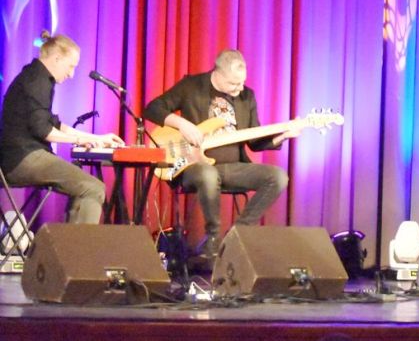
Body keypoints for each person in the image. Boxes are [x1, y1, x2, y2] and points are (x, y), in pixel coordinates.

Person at [143, 49, 298, 262]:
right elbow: (153, 108)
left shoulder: (247, 96)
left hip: (232, 167)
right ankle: (213, 238)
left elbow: (255, 142)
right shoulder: (191, 86)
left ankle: (236, 236)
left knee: (278, 177)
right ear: (217, 74)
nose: (239, 88)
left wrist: (284, 135)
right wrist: (182, 124)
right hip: (193, 166)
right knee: (208, 174)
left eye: (242, 82)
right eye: (233, 83)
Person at [0, 31, 122, 224]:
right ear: (57, 58)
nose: (71, 74)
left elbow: (54, 124)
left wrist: (97, 138)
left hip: (18, 157)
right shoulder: (37, 81)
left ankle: (70, 242)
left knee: (82, 187)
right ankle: (78, 244)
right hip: (21, 159)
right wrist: (80, 140)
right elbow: (44, 131)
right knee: (93, 188)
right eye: (71, 66)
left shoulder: (35, 76)